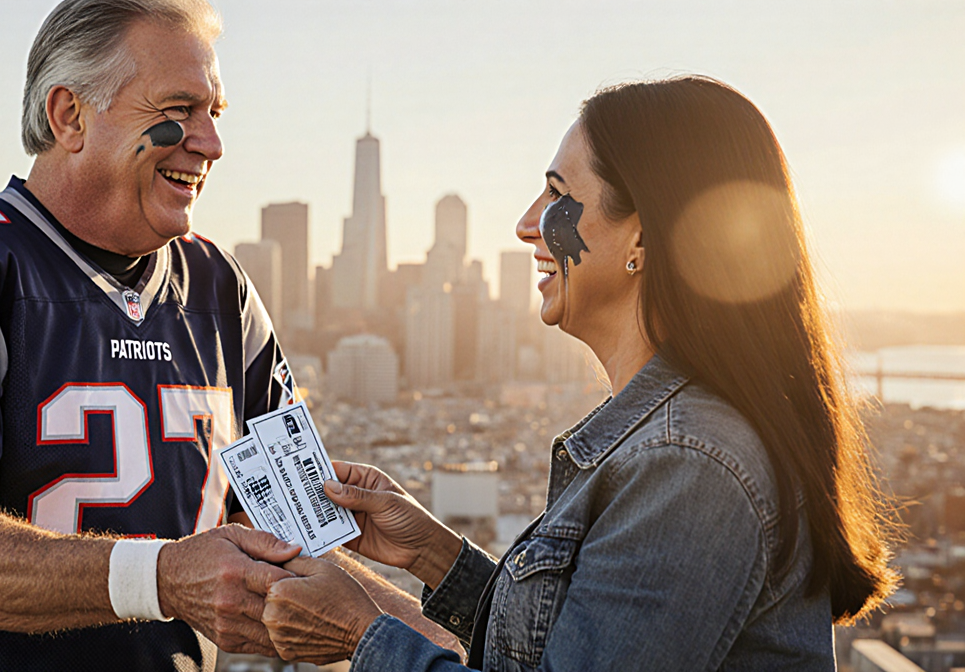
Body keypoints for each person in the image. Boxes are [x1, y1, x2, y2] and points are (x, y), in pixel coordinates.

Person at [0, 1, 454, 669]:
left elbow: (283, 536)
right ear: (70, 116)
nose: (210, 142)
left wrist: (458, 648)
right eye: (180, 107)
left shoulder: (221, 292)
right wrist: (164, 577)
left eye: (216, 113)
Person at [258, 76, 899, 670]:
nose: (526, 223)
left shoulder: (688, 465)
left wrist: (357, 634)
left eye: (560, 196)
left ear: (641, 241)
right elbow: (576, 647)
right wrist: (433, 554)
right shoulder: (676, 442)